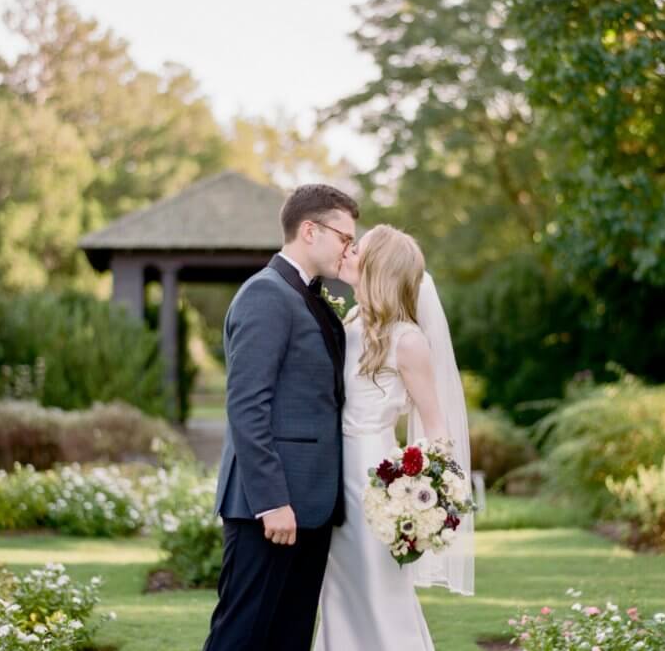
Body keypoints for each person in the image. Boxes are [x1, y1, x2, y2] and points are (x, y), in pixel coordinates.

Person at [203, 183, 359, 651]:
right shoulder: (265, 295)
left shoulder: (309, 295)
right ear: (310, 230)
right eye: (344, 237)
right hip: (270, 507)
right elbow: (247, 406)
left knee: (287, 639)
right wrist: (271, 501)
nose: (349, 248)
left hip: (310, 505)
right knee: (242, 637)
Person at [314, 224, 475, 651]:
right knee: (340, 591)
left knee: (378, 589)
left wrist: (426, 493)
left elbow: (436, 425)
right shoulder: (349, 322)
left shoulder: (407, 341)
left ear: (379, 268)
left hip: (375, 479)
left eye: (357, 249)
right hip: (334, 473)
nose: (347, 252)